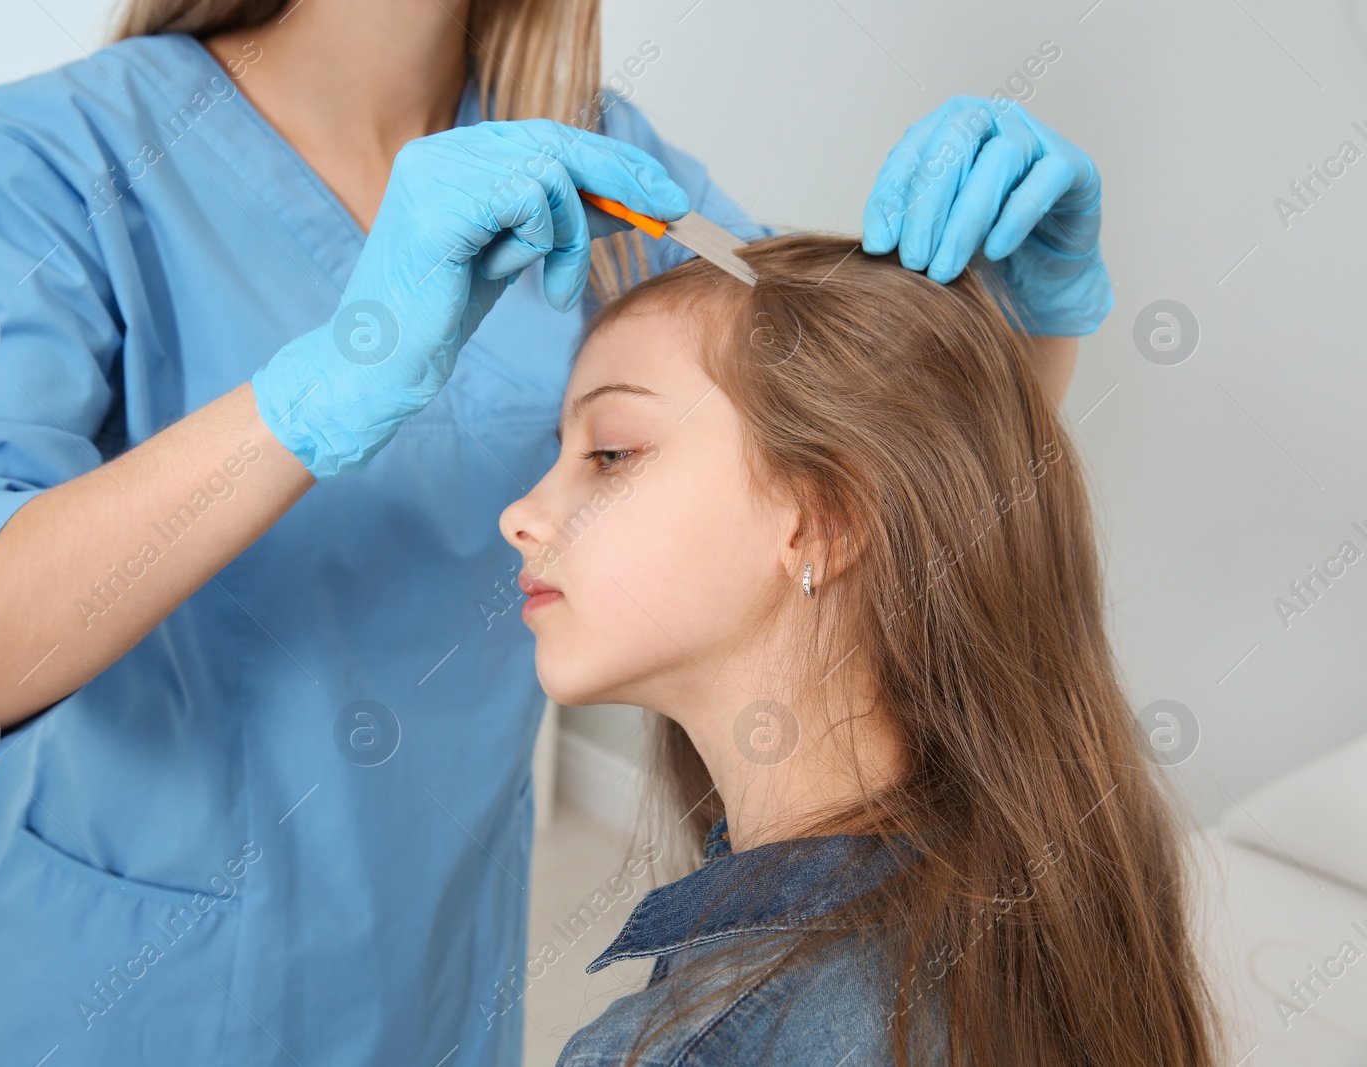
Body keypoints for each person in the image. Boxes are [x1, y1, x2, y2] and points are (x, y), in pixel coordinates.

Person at [0, 0, 1114, 1059]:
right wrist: (318, 392)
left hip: (437, 969)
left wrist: (1028, 321)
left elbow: (878, 477)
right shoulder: (64, 154)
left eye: (602, 452)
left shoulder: (603, 173)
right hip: (131, 992)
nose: (526, 511)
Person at [500, 234, 1220, 1066]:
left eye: (610, 453)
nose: (521, 513)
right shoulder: (1040, 883)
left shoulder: (692, 1047)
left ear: (828, 519)